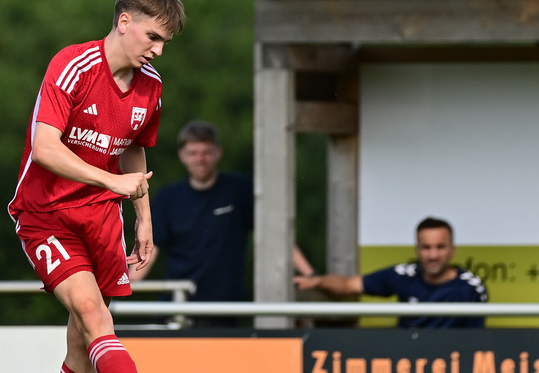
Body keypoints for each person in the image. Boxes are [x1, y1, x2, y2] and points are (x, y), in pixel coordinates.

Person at [8, 0, 186, 373]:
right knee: (93, 313)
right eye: (152, 37)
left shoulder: (150, 84)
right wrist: (112, 182)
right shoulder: (72, 64)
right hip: (45, 213)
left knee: (83, 345)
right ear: (124, 21)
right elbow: (44, 147)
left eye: (163, 43)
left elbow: (133, 149)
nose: (156, 50)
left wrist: (143, 214)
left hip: (101, 215)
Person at [129, 120, 315, 327]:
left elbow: (275, 236)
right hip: (176, 304)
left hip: (223, 307)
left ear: (218, 153)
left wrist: (311, 276)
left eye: (206, 152)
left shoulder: (239, 190)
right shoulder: (168, 197)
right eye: (193, 153)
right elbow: (150, 246)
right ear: (182, 156)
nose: (200, 159)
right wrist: (128, 282)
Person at [294, 216, 487, 328]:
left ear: (453, 249)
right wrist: (317, 282)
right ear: (416, 249)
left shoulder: (469, 287)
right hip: (405, 364)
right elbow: (348, 285)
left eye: (440, 247)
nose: (433, 255)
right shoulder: (405, 275)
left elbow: (476, 345)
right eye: (426, 247)